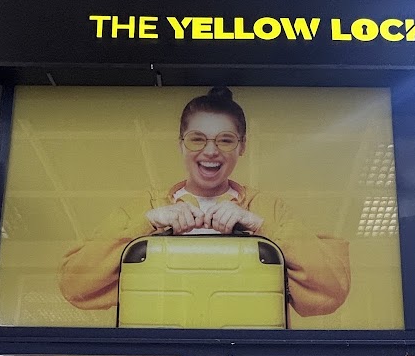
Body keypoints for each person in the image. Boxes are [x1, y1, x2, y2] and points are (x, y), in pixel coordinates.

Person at [59, 86, 350, 318]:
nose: (211, 151)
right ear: (181, 144)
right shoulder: (146, 205)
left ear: (243, 146)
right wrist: (145, 223)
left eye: (225, 140)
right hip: (167, 353)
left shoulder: (267, 208)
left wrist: (263, 227)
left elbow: (333, 291)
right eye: (197, 139)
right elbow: (75, 287)